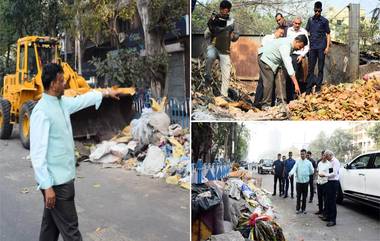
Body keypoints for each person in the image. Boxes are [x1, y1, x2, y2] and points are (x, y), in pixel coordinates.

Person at [30, 63, 122, 241]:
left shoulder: (62, 103)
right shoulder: (41, 112)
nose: (65, 83)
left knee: (50, 227)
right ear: (52, 85)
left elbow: (82, 100)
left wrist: (105, 93)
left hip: (64, 176)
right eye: (61, 80)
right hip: (56, 182)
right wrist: (46, 186)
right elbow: (37, 153)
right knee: (71, 231)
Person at [255, 35, 308, 110]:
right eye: (300, 46)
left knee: (281, 78)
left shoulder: (290, 45)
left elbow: (285, 63)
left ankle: (281, 102)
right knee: (269, 81)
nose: (300, 49)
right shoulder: (286, 45)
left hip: (277, 62)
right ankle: (266, 105)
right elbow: (288, 63)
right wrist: (296, 84)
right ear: (297, 41)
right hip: (266, 59)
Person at [204, 0, 239, 98]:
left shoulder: (232, 21)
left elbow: (236, 35)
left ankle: (223, 95)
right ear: (220, 9)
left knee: (226, 74)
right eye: (223, 10)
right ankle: (207, 77)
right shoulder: (214, 18)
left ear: (229, 11)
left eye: (227, 11)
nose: (225, 12)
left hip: (225, 50)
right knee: (210, 56)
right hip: (214, 46)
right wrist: (211, 31)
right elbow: (206, 34)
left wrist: (233, 36)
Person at [254, 26, 285, 107]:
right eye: (280, 33)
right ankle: (257, 102)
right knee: (263, 82)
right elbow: (264, 48)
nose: (281, 35)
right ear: (276, 31)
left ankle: (269, 103)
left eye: (283, 34)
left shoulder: (281, 41)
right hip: (265, 60)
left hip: (274, 63)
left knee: (271, 83)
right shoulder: (268, 37)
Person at [305, 1, 331, 94]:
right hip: (312, 48)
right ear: (314, 10)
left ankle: (318, 87)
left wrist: (327, 47)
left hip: (321, 47)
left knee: (320, 68)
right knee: (310, 68)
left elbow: (328, 34)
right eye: (316, 11)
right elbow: (306, 33)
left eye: (319, 11)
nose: (317, 13)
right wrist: (306, 46)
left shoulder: (324, 21)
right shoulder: (310, 20)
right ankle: (308, 89)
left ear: (321, 10)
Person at [285, 17, 310, 99]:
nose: (297, 25)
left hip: (298, 56)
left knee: (295, 76)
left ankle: (294, 96)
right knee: (287, 76)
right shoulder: (288, 30)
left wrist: (302, 55)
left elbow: (307, 46)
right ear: (293, 23)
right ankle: (287, 96)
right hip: (288, 54)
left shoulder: (304, 32)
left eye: (299, 24)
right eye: (296, 23)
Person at [289, 149, 314, 214]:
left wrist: (306, 174)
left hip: (305, 182)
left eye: (303, 154)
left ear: (306, 154)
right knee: (298, 196)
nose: (302, 155)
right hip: (299, 182)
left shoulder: (309, 163)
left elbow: (312, 171)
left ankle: (303, 209)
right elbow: (294, 168)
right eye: (301, 154)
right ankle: (298, 209)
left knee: (304, 197)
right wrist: (290, 174)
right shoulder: (297, 162)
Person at [321, 150, 340, 227]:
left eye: (326, 156)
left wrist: (325, 175)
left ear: (330, 155)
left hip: (333, 183)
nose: (325, 157)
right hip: (328, 182)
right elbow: (329, 171)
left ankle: (333, 220)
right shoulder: (329, 161)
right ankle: (328, 217)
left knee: (332, 201)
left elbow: (334, 173)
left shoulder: (335, 161)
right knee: (327, 200)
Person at [315, 151, 331, 217]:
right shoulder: (319, 163)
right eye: (322, 155)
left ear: (326, 156)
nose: (323, 157)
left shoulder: (329, 164)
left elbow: (330, 174)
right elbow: (317, 171)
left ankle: (325, 211)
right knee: (319, 197)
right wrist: (317, 175)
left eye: (324, 155)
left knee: (325, 199)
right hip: (319, 182)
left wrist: (324, 175)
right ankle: (320, 210)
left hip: (325, 183)